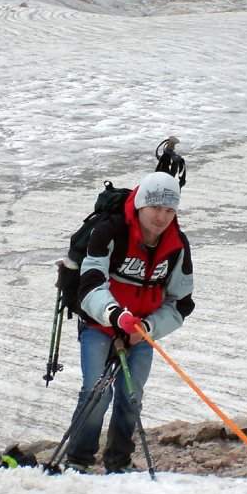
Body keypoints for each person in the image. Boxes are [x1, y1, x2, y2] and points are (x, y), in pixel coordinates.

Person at [63, 171, 195, 474]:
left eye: (169, 210)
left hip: (140, 332)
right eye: (155, 208)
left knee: (131, 395)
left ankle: (119, 461)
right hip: (100, 325)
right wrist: (116, 316)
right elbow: (91, 283)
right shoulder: (109, 232)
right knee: (96, 392)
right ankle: (78, 461)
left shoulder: (177, 246)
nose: (161, 217)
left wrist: (147, 328)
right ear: (140, 205)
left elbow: (181, 302)